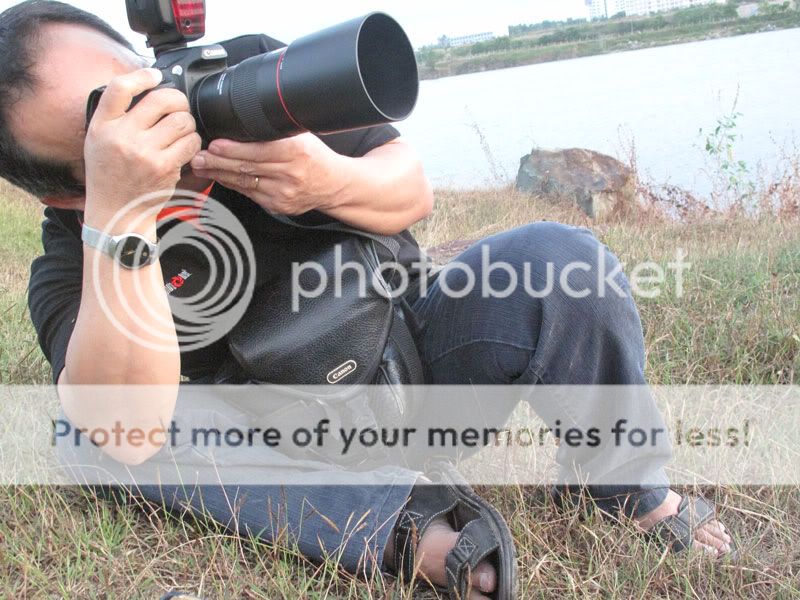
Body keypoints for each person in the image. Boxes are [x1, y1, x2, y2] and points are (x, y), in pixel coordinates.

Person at [0, 2, 735, 599]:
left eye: (135, 85)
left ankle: (627, 491)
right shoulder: (74, 260)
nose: (150, 117)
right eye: (105, 128)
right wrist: (122, 218)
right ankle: (408, 529)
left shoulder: (247, 84)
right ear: (68, 194)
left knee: (561, 261)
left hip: (411, 373)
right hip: (291, 459)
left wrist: (324, 180)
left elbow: (409, 190)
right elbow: (126, 430)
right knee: (88, 433)